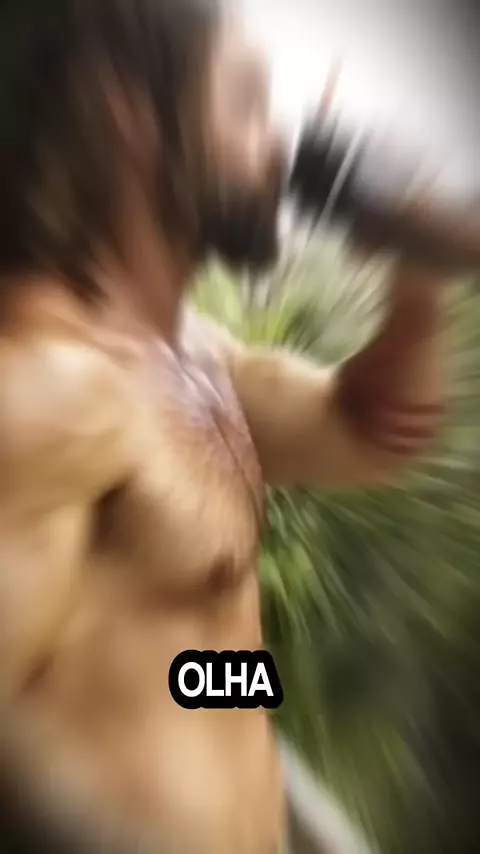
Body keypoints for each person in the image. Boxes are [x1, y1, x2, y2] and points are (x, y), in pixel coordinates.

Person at [0, 1, 477, 853]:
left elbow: (374, 435)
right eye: (250, 102)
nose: (281, 144)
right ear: (127, 111)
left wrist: (415, 274)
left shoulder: (204, 357)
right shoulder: (47, 391)